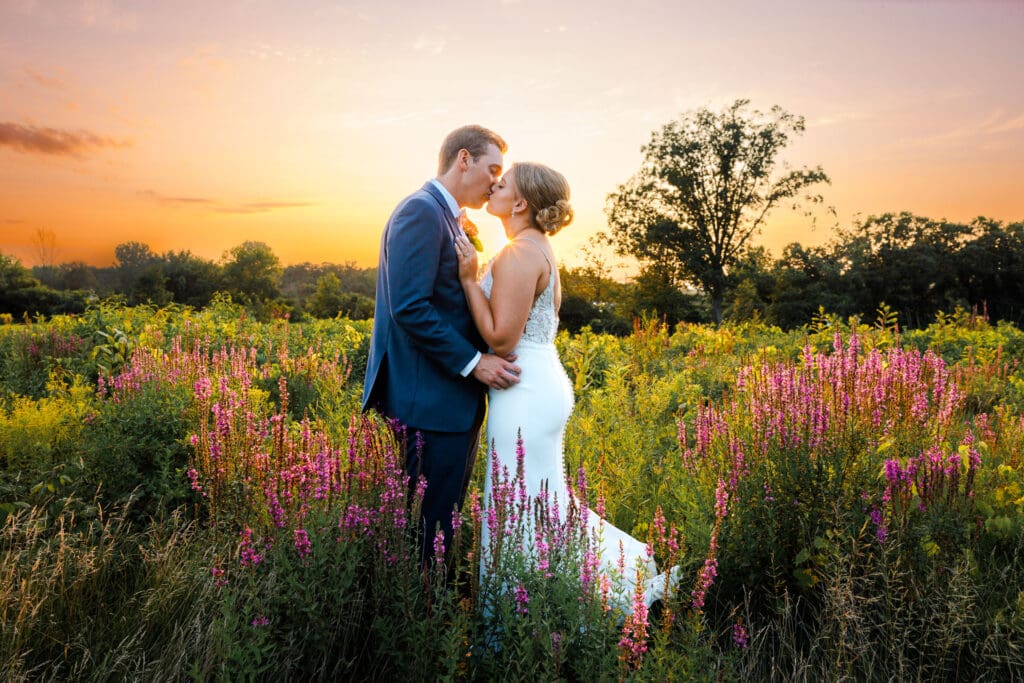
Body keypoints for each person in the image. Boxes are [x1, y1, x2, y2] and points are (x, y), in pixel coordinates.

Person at [454, 162, 677, 610]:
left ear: (520, 203)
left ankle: (524, 614)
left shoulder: (519, 254)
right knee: (539, 496)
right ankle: (553, 603)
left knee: (518, 501)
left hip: (523, 389)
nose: (493, 186)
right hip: (537, 382)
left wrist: (466, 279)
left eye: (503, 184)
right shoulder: (536, 248)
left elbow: (500, 338)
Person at [363, 125, 523, 564]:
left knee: (439, 524)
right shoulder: (420, 211)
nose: (496, 180)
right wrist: (475, 363)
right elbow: (409, 308)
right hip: (429, 403)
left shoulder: (448, 216)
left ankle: (428, 611)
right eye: (492, 168)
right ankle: (423, 620)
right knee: (427, 531)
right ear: (464, 159)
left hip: (448, 401)